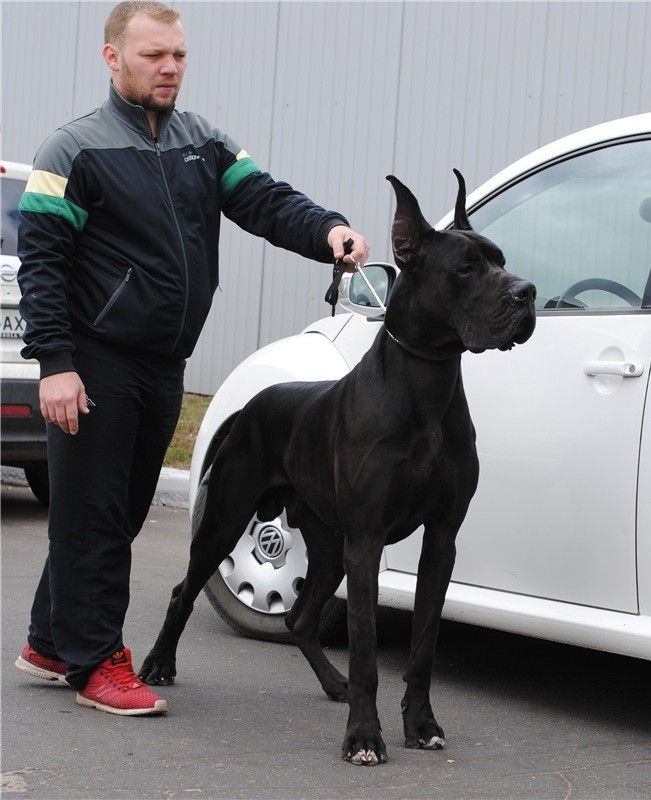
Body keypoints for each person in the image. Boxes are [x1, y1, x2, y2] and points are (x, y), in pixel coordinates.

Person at [14, 0, 368, 717]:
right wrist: (55, 362)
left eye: (178, 55)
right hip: (95, 357)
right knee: (93, 516)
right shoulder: (72, 150)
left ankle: (51, 642)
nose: (169, 67)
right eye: (153, 55)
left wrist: (327, 229)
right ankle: (95, 662)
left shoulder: (203, 143)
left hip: (163, 361)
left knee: (116, 512)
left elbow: (266, 201)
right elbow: (42, 262)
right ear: (113, 57)